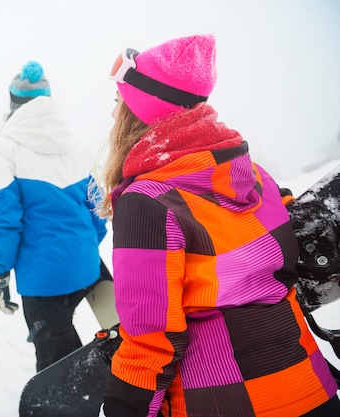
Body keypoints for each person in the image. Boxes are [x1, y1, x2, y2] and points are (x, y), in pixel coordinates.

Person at [96, 34, 339, 417]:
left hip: (226, 401)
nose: (112, 115)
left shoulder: (148, 203)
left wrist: (123, 409)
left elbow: (151, 342)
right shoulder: (255, 178)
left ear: (140, 115)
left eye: (118, 103)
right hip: (312, 388)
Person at [0, 61, 108, 372]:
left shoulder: (6, 149)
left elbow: (7, 222)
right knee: (69, 343)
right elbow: (98, 208)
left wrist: (0, 273)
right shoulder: (75, 146)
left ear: (13, 103)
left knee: (59, 370)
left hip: (43, 280)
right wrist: (85, 245)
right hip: (86, 267)